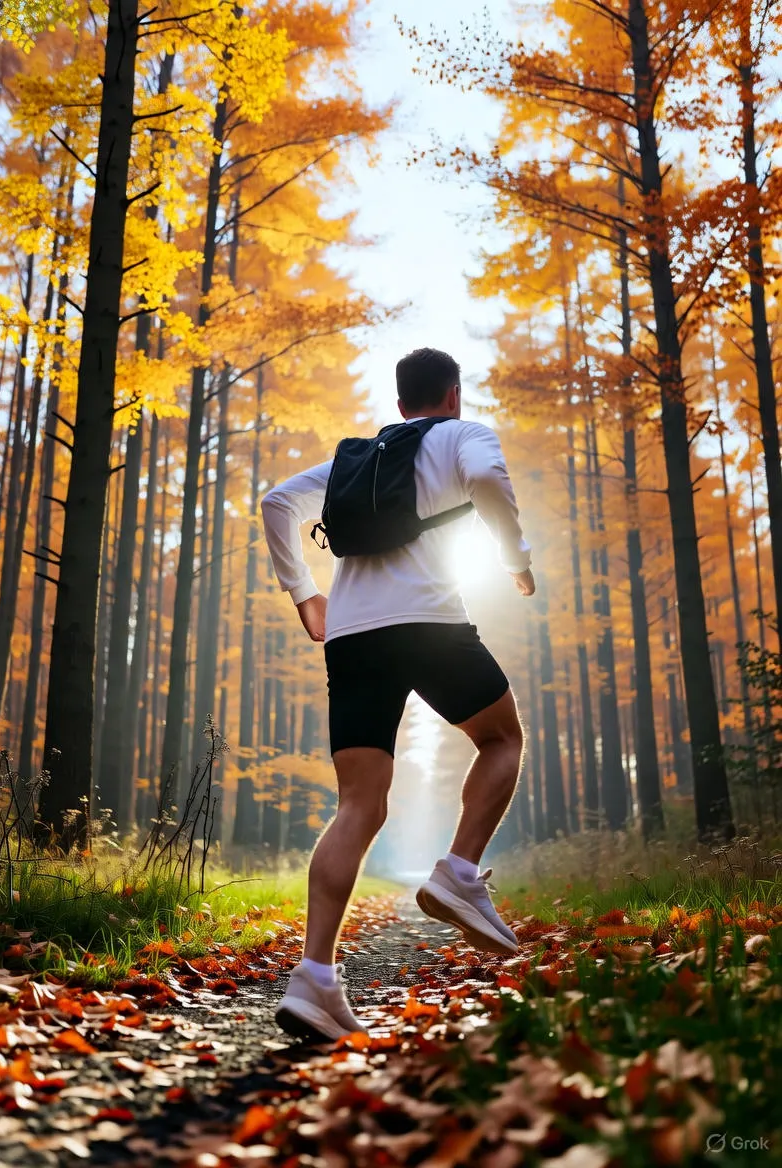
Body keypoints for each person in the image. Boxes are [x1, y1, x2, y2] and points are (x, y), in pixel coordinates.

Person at [261, 347, 535, 1042]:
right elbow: (486, 477)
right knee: (502, 738)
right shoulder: (462, 435)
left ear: (401, 400)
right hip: (429, 621)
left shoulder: (357, 458)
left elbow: (276, 502)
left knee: (359, 803)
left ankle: (314, 978)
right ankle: (460, 871)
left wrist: (305, 594)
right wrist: (515, 559)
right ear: (452, 394)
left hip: (352, 632)